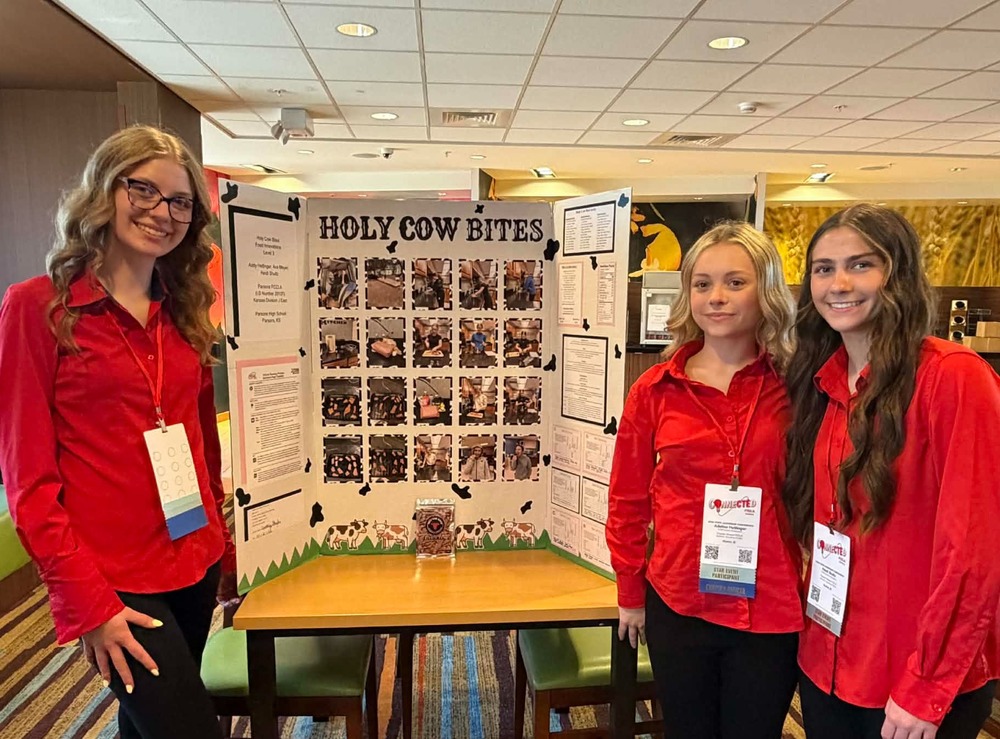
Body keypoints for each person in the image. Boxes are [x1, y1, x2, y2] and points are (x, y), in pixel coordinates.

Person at [0, 126, 234, 739]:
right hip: (114, 578)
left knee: (145, 727)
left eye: (180, 201)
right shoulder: (39, 308)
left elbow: (200, 449)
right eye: (144, 190)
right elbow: (27, 480)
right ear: (104, 192)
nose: (162, 212)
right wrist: (88, 603)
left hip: (192, 556)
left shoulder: (184, 313)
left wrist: (226, 547)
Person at [782, 204, 1000, 739]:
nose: (839, 283)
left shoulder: (951, 378)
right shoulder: (823, 384)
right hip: (827, 663)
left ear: (898, 273)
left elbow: (973, 550)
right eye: (824, 268)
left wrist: (926, 687)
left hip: (912, 683)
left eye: (861, 264)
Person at [606, 221, 802, 739]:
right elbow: (627, 500)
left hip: (771, 606)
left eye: (736, 282)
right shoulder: (654, 390)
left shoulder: (798, 387)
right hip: (679, 601)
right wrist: (630, 592)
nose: (716, 297)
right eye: (702, 283)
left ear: (767, 290)